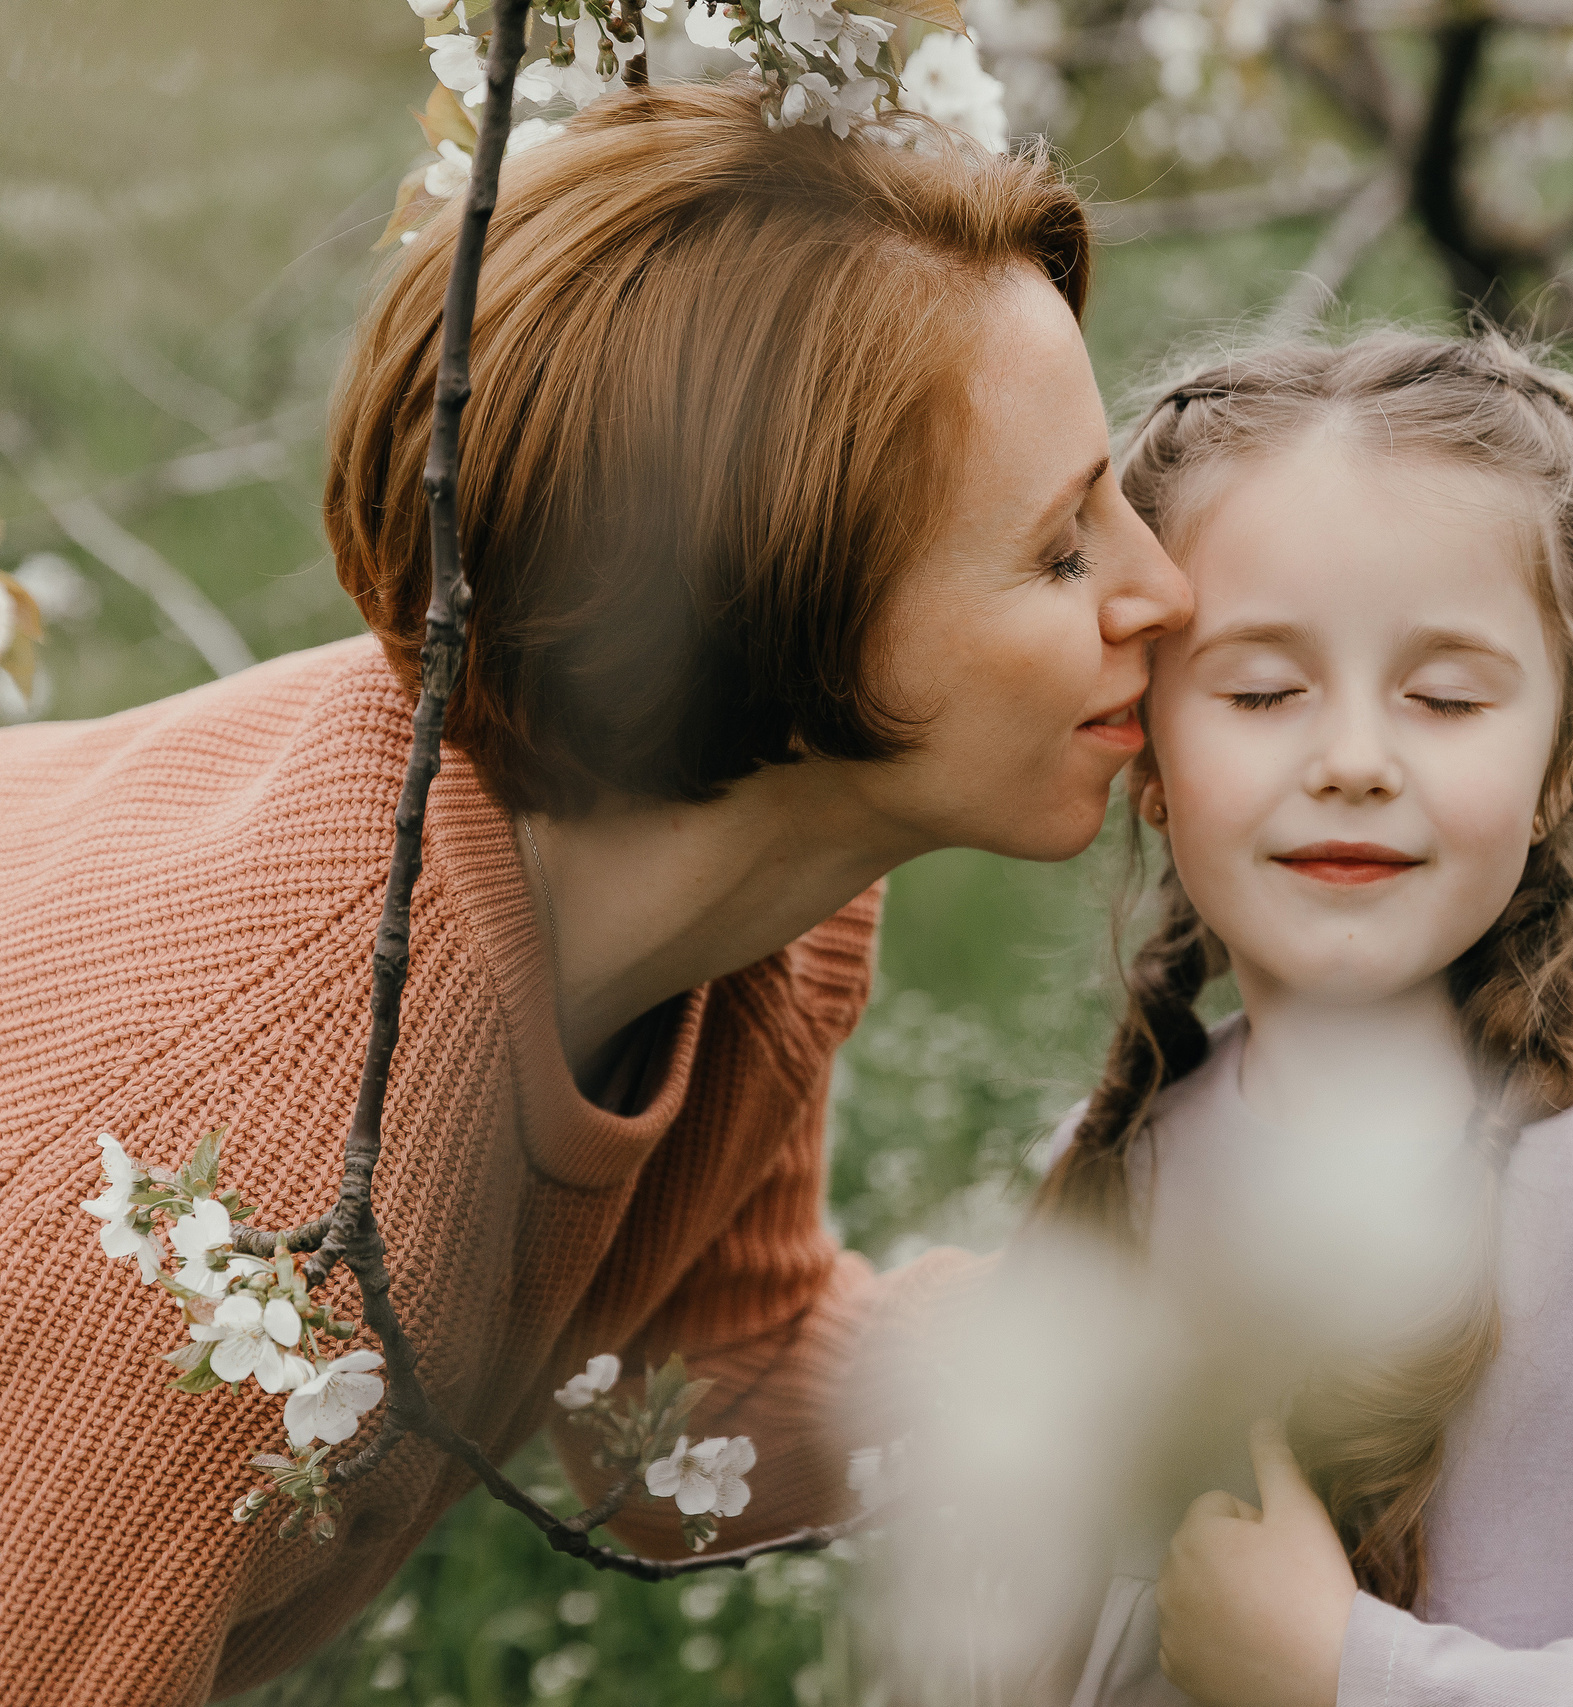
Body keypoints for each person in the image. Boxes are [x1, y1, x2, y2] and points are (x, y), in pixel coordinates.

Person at [0, 80, 1187, 1704]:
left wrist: (1199, 1329)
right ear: (780, 614)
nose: (1165, 590)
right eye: (1064, 550)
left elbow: (712, 1401)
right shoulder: (228, 1210)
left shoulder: (777, 915)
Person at [1017, 332, 1573, 1706]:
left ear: (1560, 761)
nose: (1355, 760)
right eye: (1260, 691)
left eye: (1445, 697)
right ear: (1149, 752)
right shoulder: (1113, 1172)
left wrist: (1346, 1671)